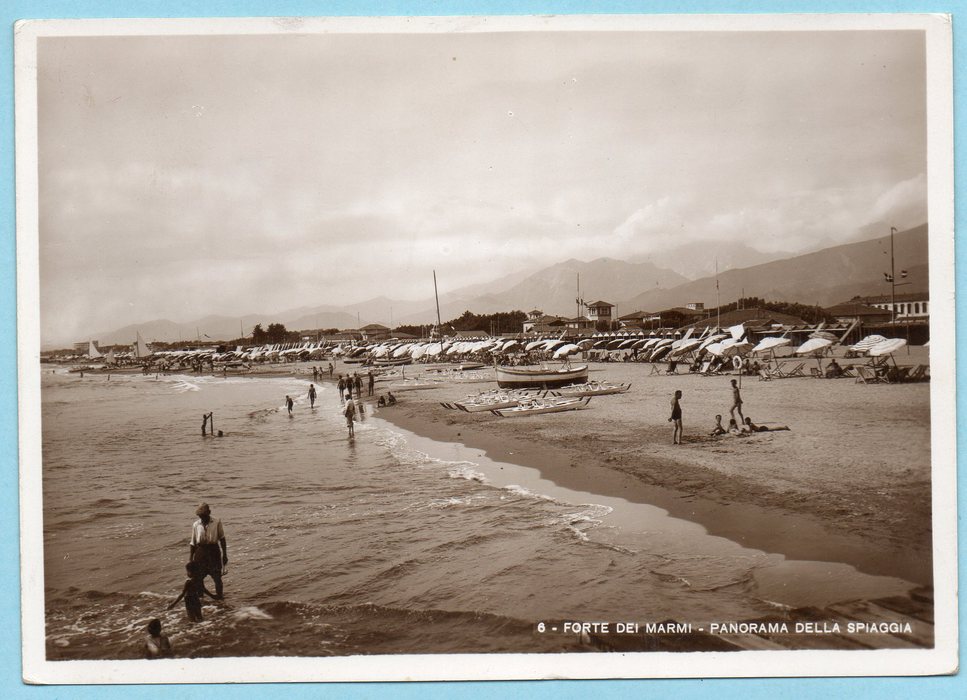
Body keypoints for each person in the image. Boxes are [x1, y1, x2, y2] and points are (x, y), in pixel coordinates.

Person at [189, 503, 228, 598]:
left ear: (209, 513)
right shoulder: (196, 524)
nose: (202, 518)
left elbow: (222, 538)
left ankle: (220, 599)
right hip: (200, 552)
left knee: (217, 578)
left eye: (204, 516)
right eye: (200, 516)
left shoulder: (217, 521)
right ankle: (201, 599)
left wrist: (224, 555)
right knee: (198, 579)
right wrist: (190, 559)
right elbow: (193, 543)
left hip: (213, 551)